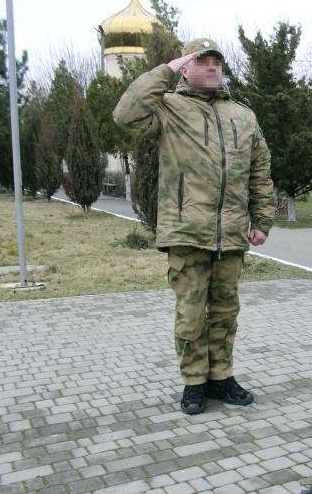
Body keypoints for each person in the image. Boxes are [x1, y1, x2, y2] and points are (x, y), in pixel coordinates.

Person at [113, 38, 276, 414]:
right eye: (202, 61)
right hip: (187, 231)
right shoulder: (168, 109)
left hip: (231, 232)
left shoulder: (243, 115)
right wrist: (166, 70)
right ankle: (193, 383)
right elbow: (125, 115)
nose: (212, 67)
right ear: (185, 67)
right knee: (190, 314)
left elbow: (260, 171)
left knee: (225, 311)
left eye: (217, 61)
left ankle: (221, 377)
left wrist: (263, 219)